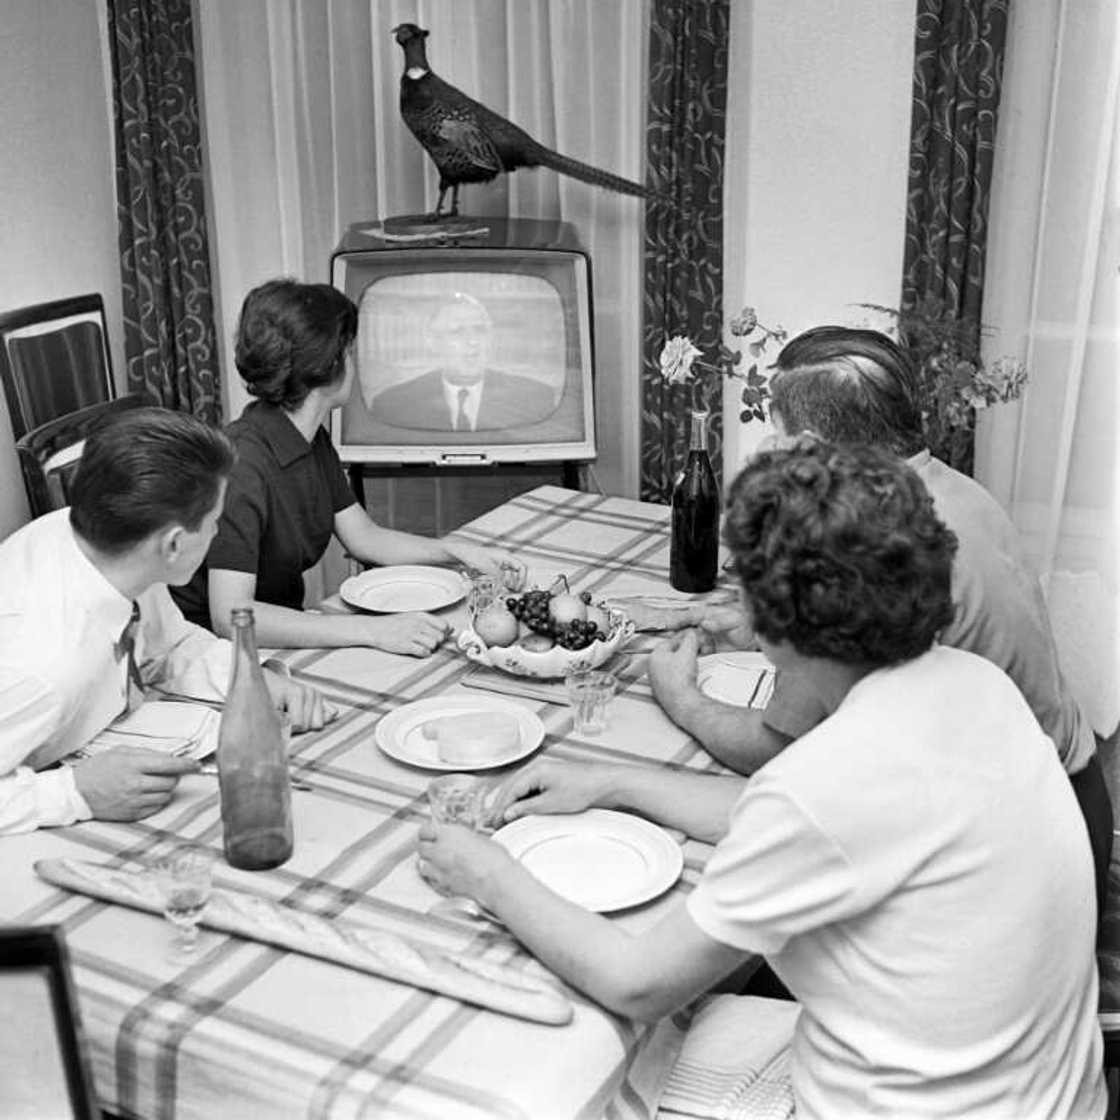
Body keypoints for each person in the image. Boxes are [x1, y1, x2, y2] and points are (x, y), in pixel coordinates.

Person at [419, 441, 1106, 1118]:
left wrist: (487, 874)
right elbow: (792, 819)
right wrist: (612, 783)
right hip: (1047, 1096)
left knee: (550, 1081)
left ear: (775, 621)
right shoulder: (976, 686)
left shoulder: (827, 779)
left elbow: (636, 982)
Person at [649, 325, 1113, 911]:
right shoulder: (956, 493)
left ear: (811, 445)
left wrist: (681, 697)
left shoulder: (861, 550)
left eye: (777, 435)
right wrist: (772, 628)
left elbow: (778, 749)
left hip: (1008, 873)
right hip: (1075, 809)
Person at [0, 407, 332, 836]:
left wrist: (250, 679)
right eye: (215, 523)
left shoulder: (117, 545)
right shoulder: (41, 665)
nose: (217, 534)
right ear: (174, 544)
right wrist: (73, 792)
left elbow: (167, 646)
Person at [172, 279, 526, 652]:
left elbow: (365, 538)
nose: (356, 363)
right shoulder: (243, 464)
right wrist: (373, 632)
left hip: (275, 634)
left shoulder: (307, 436)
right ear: (328, 362)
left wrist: (457, 551)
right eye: (350, 351)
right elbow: (230, 616)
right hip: (212, 653)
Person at [369, 292, 557, 432]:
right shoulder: (392, 404)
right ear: (433, 342)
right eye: (457, 332)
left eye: (480, 330)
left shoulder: (536, 398)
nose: (472, 341)